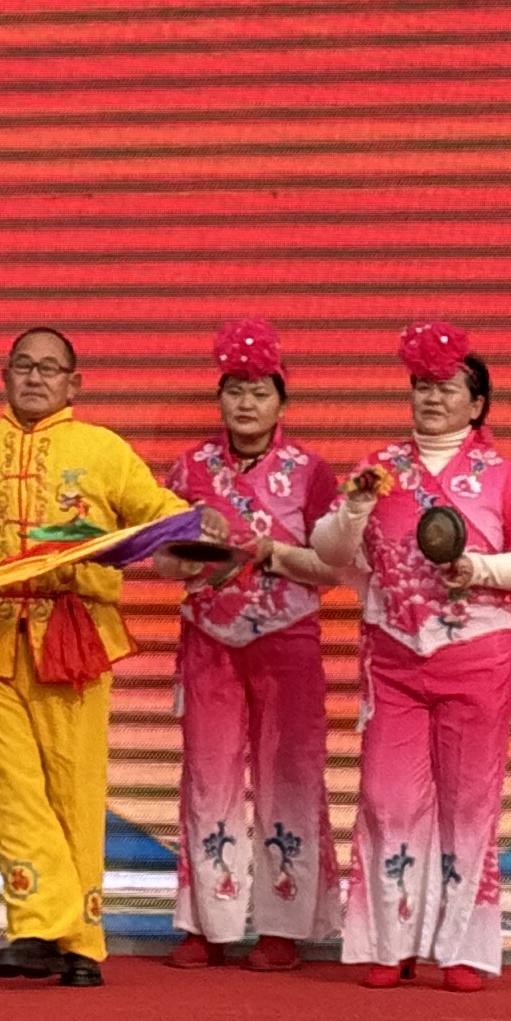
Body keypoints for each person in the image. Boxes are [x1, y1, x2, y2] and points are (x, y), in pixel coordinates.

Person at [0, 326, 188, 987]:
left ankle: (80, 942)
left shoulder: (102, 449)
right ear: (4, 374)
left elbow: (160, 514)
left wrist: (195, 530)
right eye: (24, 366)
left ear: (74, 383)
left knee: (74, 788)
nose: (35, 378)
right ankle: (36, 928)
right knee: (12, 787)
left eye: (50, 368)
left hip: (71, 637)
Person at [316, 322, 511, 994]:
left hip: (476, 659)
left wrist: (479, 568)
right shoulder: (379, 468)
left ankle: (461, 950)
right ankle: (389, 942)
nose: (431, 397)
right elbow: (331, 554)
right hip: (395, 658)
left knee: (468, 802)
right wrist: (355, 506)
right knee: (387, 799)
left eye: (447, 388)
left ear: (476, 404)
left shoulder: (501, 478)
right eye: (421, 386)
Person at [158, 320, 342, 972]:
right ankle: (206, 925)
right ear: (219, 399)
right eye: (234, 390)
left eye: (260, 392)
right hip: (209, 640)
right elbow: (161, 561)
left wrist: (275, 554)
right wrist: (194, 555)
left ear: (282, 403)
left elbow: (336, 565)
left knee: (288, 776)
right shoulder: (189, 469)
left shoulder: (311, 473)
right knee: (208, 778)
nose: (246, 403)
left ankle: (284, 928)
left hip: (287, 641)